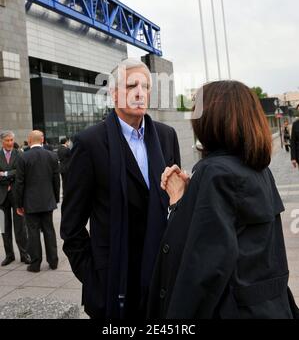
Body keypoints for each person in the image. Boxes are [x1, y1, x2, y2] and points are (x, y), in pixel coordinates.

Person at [147, 80, 299, 319]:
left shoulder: (213, 172)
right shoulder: (260, 170)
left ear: (213, 118)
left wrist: (177, 202)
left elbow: (201, 270)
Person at [60, 58, 181, 320]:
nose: (140, 92)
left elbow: (176, 205)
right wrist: (96, 279)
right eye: (131, 85)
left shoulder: (166, 136)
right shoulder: (89, 143)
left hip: (162, 282)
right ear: (114, 94)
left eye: (146, 86)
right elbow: (71, 227)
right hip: (114, 288)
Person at [14, 130, 60, 272]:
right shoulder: (52, 155)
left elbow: (19, 183)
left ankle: (35, 264)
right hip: (47, 200)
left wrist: (19, 204)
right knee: (49, 230)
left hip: (30, 201)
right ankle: (53, 262)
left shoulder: (23, 157)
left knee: (33, 233)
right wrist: (56, 198)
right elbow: (56, 180)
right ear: (42, 139)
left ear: (29, 140)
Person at [0, 131, 29, 266]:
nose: (10, 143)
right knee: (4, 228)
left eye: (12, 140)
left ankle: (24, 255)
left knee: (20, 227)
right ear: (2, 141)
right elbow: (15, 172)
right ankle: (9, 255)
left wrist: (5, 174)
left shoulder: (20, 154)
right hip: (1, 196)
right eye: (7, 140)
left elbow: (21, 171)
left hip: (17, 195)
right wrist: (12, 175)